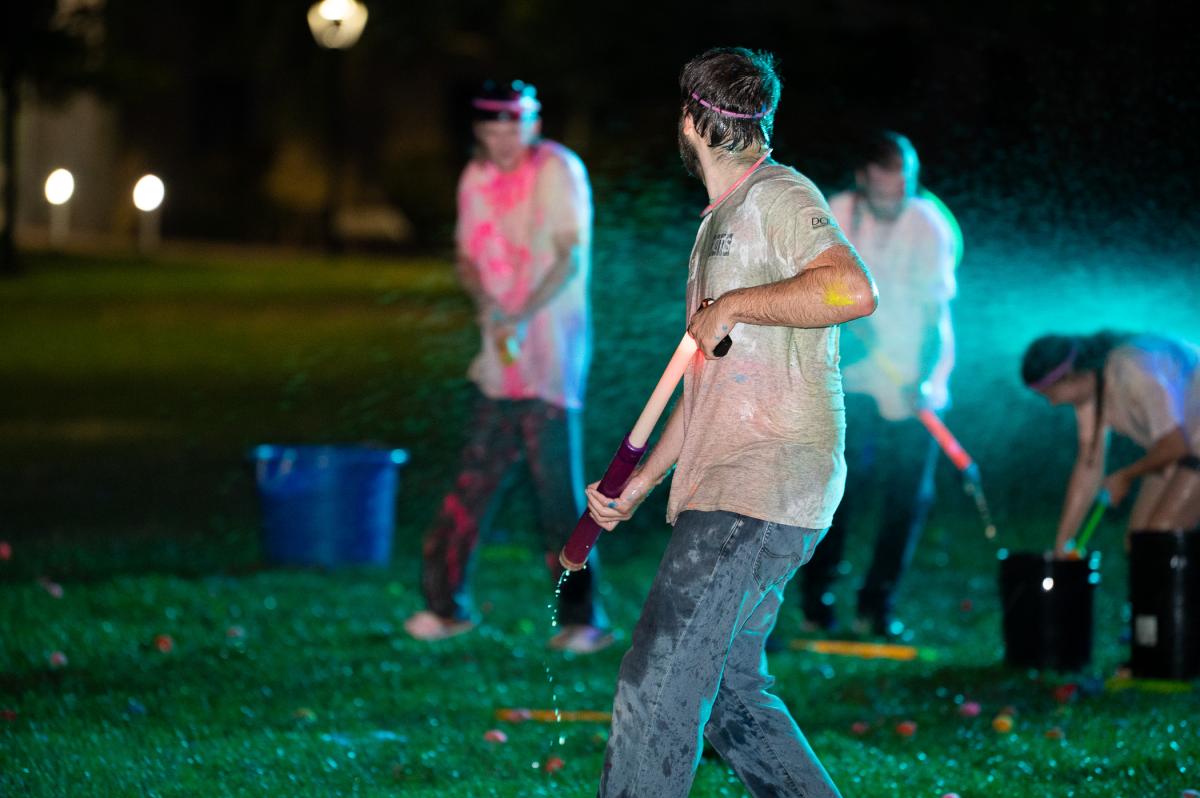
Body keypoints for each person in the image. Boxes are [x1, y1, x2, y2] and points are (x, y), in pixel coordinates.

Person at [585, 48, 876, 798]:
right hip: (734, 484)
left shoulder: (778, 196)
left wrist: (737, 304)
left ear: (689, 119)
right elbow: (708, 385)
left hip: (761, 486)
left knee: (657, 679)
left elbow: (850, 291)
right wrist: (642, 483)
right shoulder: (719, 222)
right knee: (733, 697)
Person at [403, 80, 611, 654]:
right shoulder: (474, 178)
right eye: (491, 129)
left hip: (550, 362)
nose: (502, 140)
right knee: (468, 488)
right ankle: (445, 609)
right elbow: (468, 258)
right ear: (479, 130)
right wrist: (489, 308)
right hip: (498, 362)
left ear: (533, 125)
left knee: (558, 499)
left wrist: (519, 312)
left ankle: (584, 619)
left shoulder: (558, 170)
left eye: (512, 127)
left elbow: (569, 257)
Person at [795, 131, 958, 638]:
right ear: (864, 179)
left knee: (907, 498)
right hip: (850, 376)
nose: (894, 199)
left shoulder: (931, 224)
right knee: (838, 490)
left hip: (914, 378)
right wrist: (842, 317)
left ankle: (878, 605)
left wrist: (926, 379)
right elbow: (808, 289)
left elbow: (936, 315)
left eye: (903, 187)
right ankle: (817, 601)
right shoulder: (834, 212)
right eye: (885, 188)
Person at [1021, 331, 1200, 553]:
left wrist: (1125, 477)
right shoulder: (1091, 395)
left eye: (1050, 393)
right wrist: (1062, 544)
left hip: (1190, 445)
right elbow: (1089, 464)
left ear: (1070, 375)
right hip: (1182, 450)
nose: (1053, 403)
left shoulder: (1132, 370)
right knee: (1137, 543)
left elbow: (1175, 445)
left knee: (1160, 540)